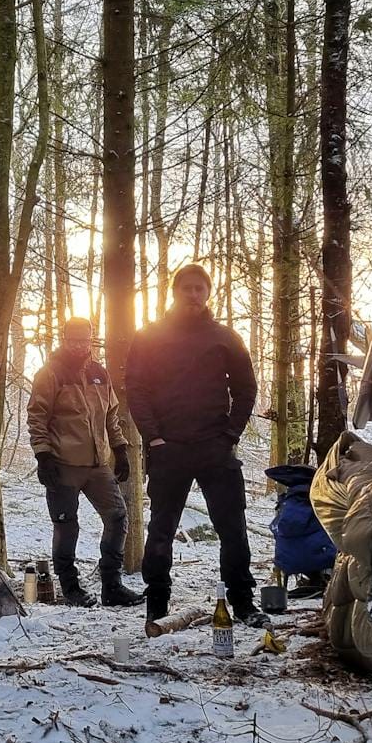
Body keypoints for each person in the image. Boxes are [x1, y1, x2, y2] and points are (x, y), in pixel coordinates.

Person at [126, 263, 266, 626]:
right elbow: (136, 389)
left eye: (199, 289)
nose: (192, 294)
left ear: (207, 293)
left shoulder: (224, 337)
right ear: (174, 292)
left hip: (215, 448)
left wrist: (230, 435)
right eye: (186, 288)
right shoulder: (150, 337)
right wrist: (153, 437)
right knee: (161, 528)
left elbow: (246, 389)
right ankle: (156, 603)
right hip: (168, 448)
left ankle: (243, 601)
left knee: (232, 528)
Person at [27, 317, 146, 608]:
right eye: (73, 339)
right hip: (62, 464)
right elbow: (37, 417)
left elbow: (111, 416)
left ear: (91, 339)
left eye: (84, 340)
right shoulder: (51, 373)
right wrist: (43, 456)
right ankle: (70, 588)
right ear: (64, 338)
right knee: (67, 526)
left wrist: (120, 450)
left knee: (117, 518)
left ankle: (112, 585)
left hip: (96, 465)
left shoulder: (99, 373)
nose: (79, 345)